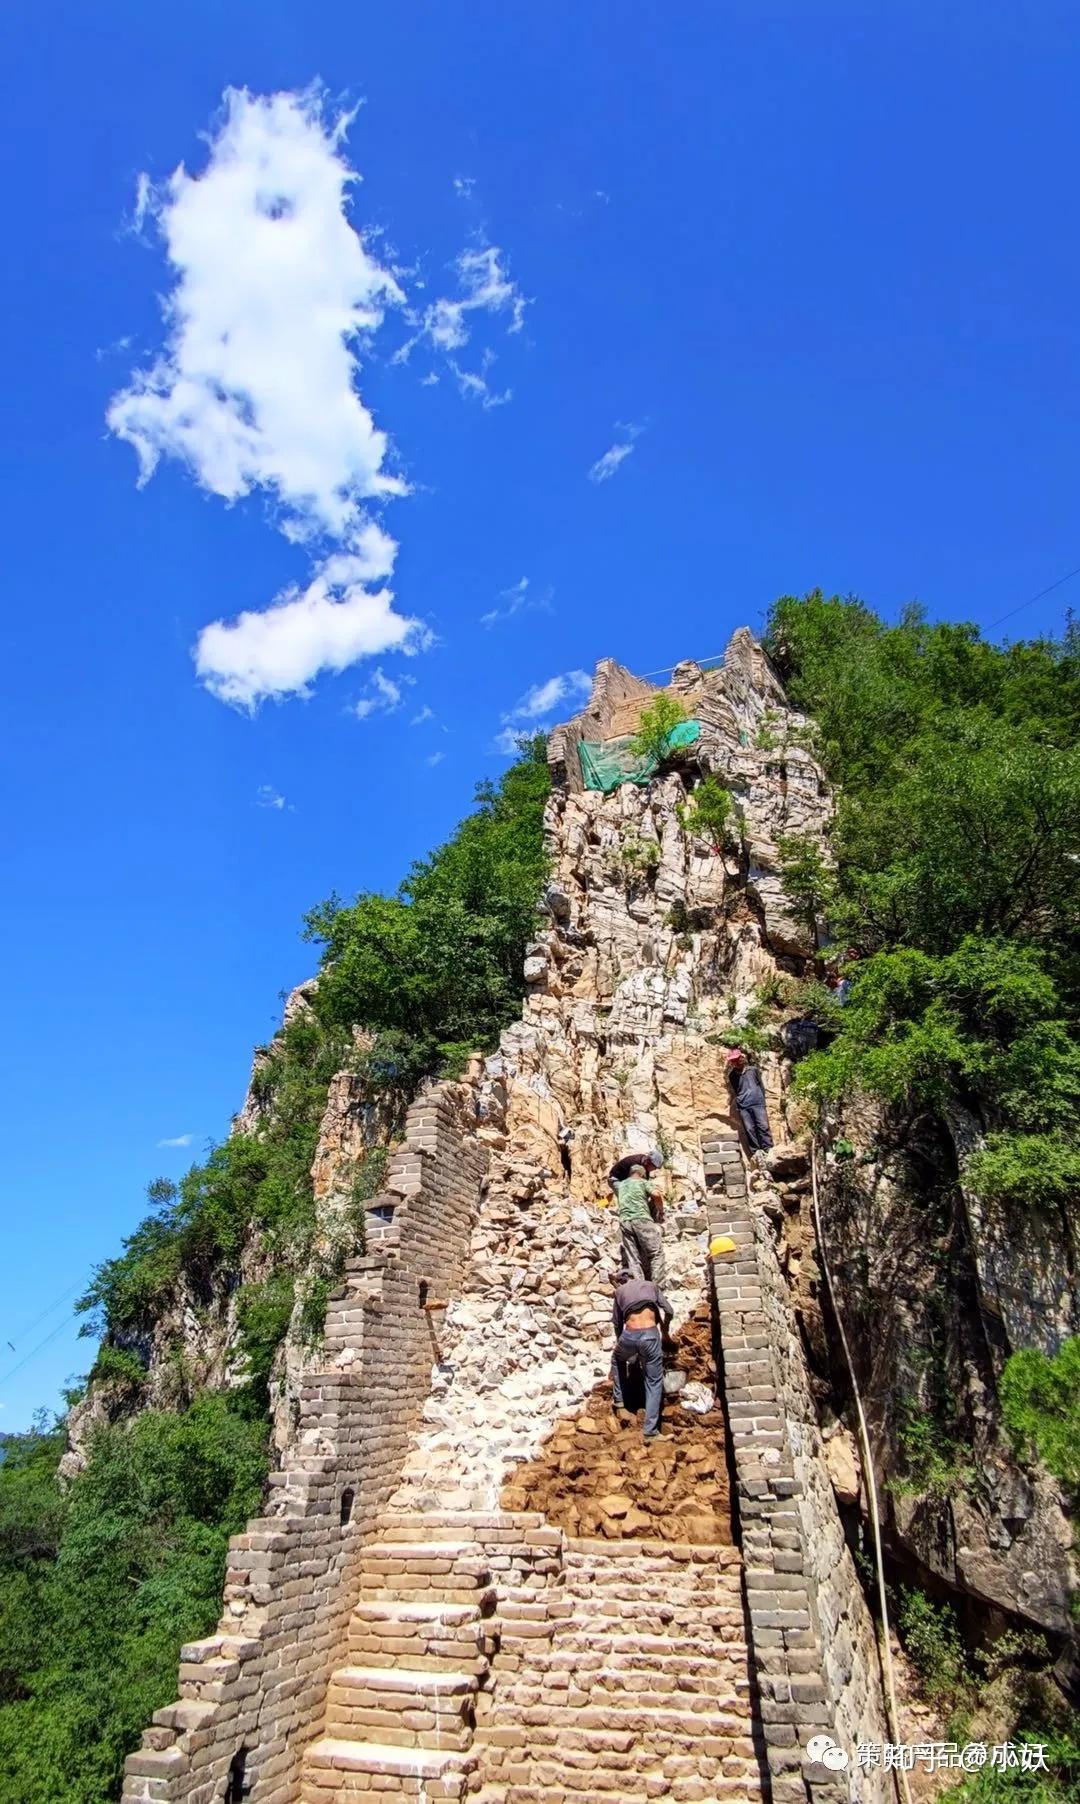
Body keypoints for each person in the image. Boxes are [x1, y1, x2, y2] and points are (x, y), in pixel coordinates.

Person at [610, 1269, 673, 1440]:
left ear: (621, 1281)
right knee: (653, 1381)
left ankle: (619, 1401)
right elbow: (669, 1310)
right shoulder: (651, 1286)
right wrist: (665, 1330)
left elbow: (617, 1323)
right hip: (651, 1335)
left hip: (629, 1335)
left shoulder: (620, 1291)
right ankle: (650, 1431)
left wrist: (621, 1341)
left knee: (617, 1359)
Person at [615, 1163, 667, 1286]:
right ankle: (657, 1288)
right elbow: (656, 1195)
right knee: (656, 1253)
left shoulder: (621, 1185)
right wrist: (660, 1211)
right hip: (641, 1219)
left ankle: (639, 1288)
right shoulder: (643, 1182)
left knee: (633, 1259)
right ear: (642, 1174)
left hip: (624, 1222)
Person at [726, 1049, 773, 1167]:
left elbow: (760, 1085)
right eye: (733, 1061)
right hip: (744, 1105)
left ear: (741, 1058)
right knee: (749, 1129)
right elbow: (736, 1090)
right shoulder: (732, 1075)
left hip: (758, 1102)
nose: (736, 1062)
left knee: (763, 1126)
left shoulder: (753, 1070)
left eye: (737, 1059)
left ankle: (768, 1149)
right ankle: (756, 1152)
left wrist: (761, 1098)